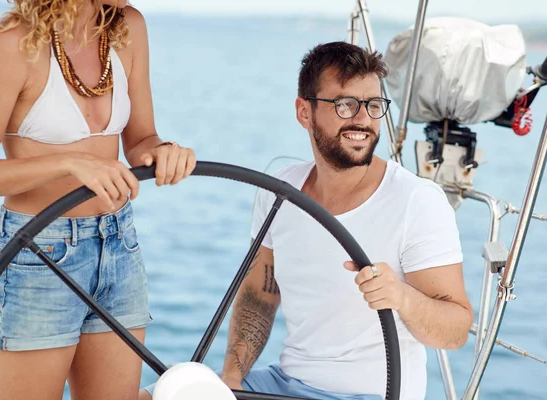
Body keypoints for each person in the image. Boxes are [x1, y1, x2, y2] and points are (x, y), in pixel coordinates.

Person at [140, 41, 474, 400]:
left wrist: (402, 297)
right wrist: (232, 381)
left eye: (374, 106)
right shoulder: (279, 190)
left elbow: (455, 330)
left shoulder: (416, 200)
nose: (362, 119)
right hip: (284, 385)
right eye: (345, 104)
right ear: (304, 112)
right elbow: (259, 296)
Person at [0, 1, 195, 399]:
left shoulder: (127, 27)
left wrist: (164, 151)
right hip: (39, 254)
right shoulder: (14, 42)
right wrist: (67, 162)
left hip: (119, 245)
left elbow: (141, 140)